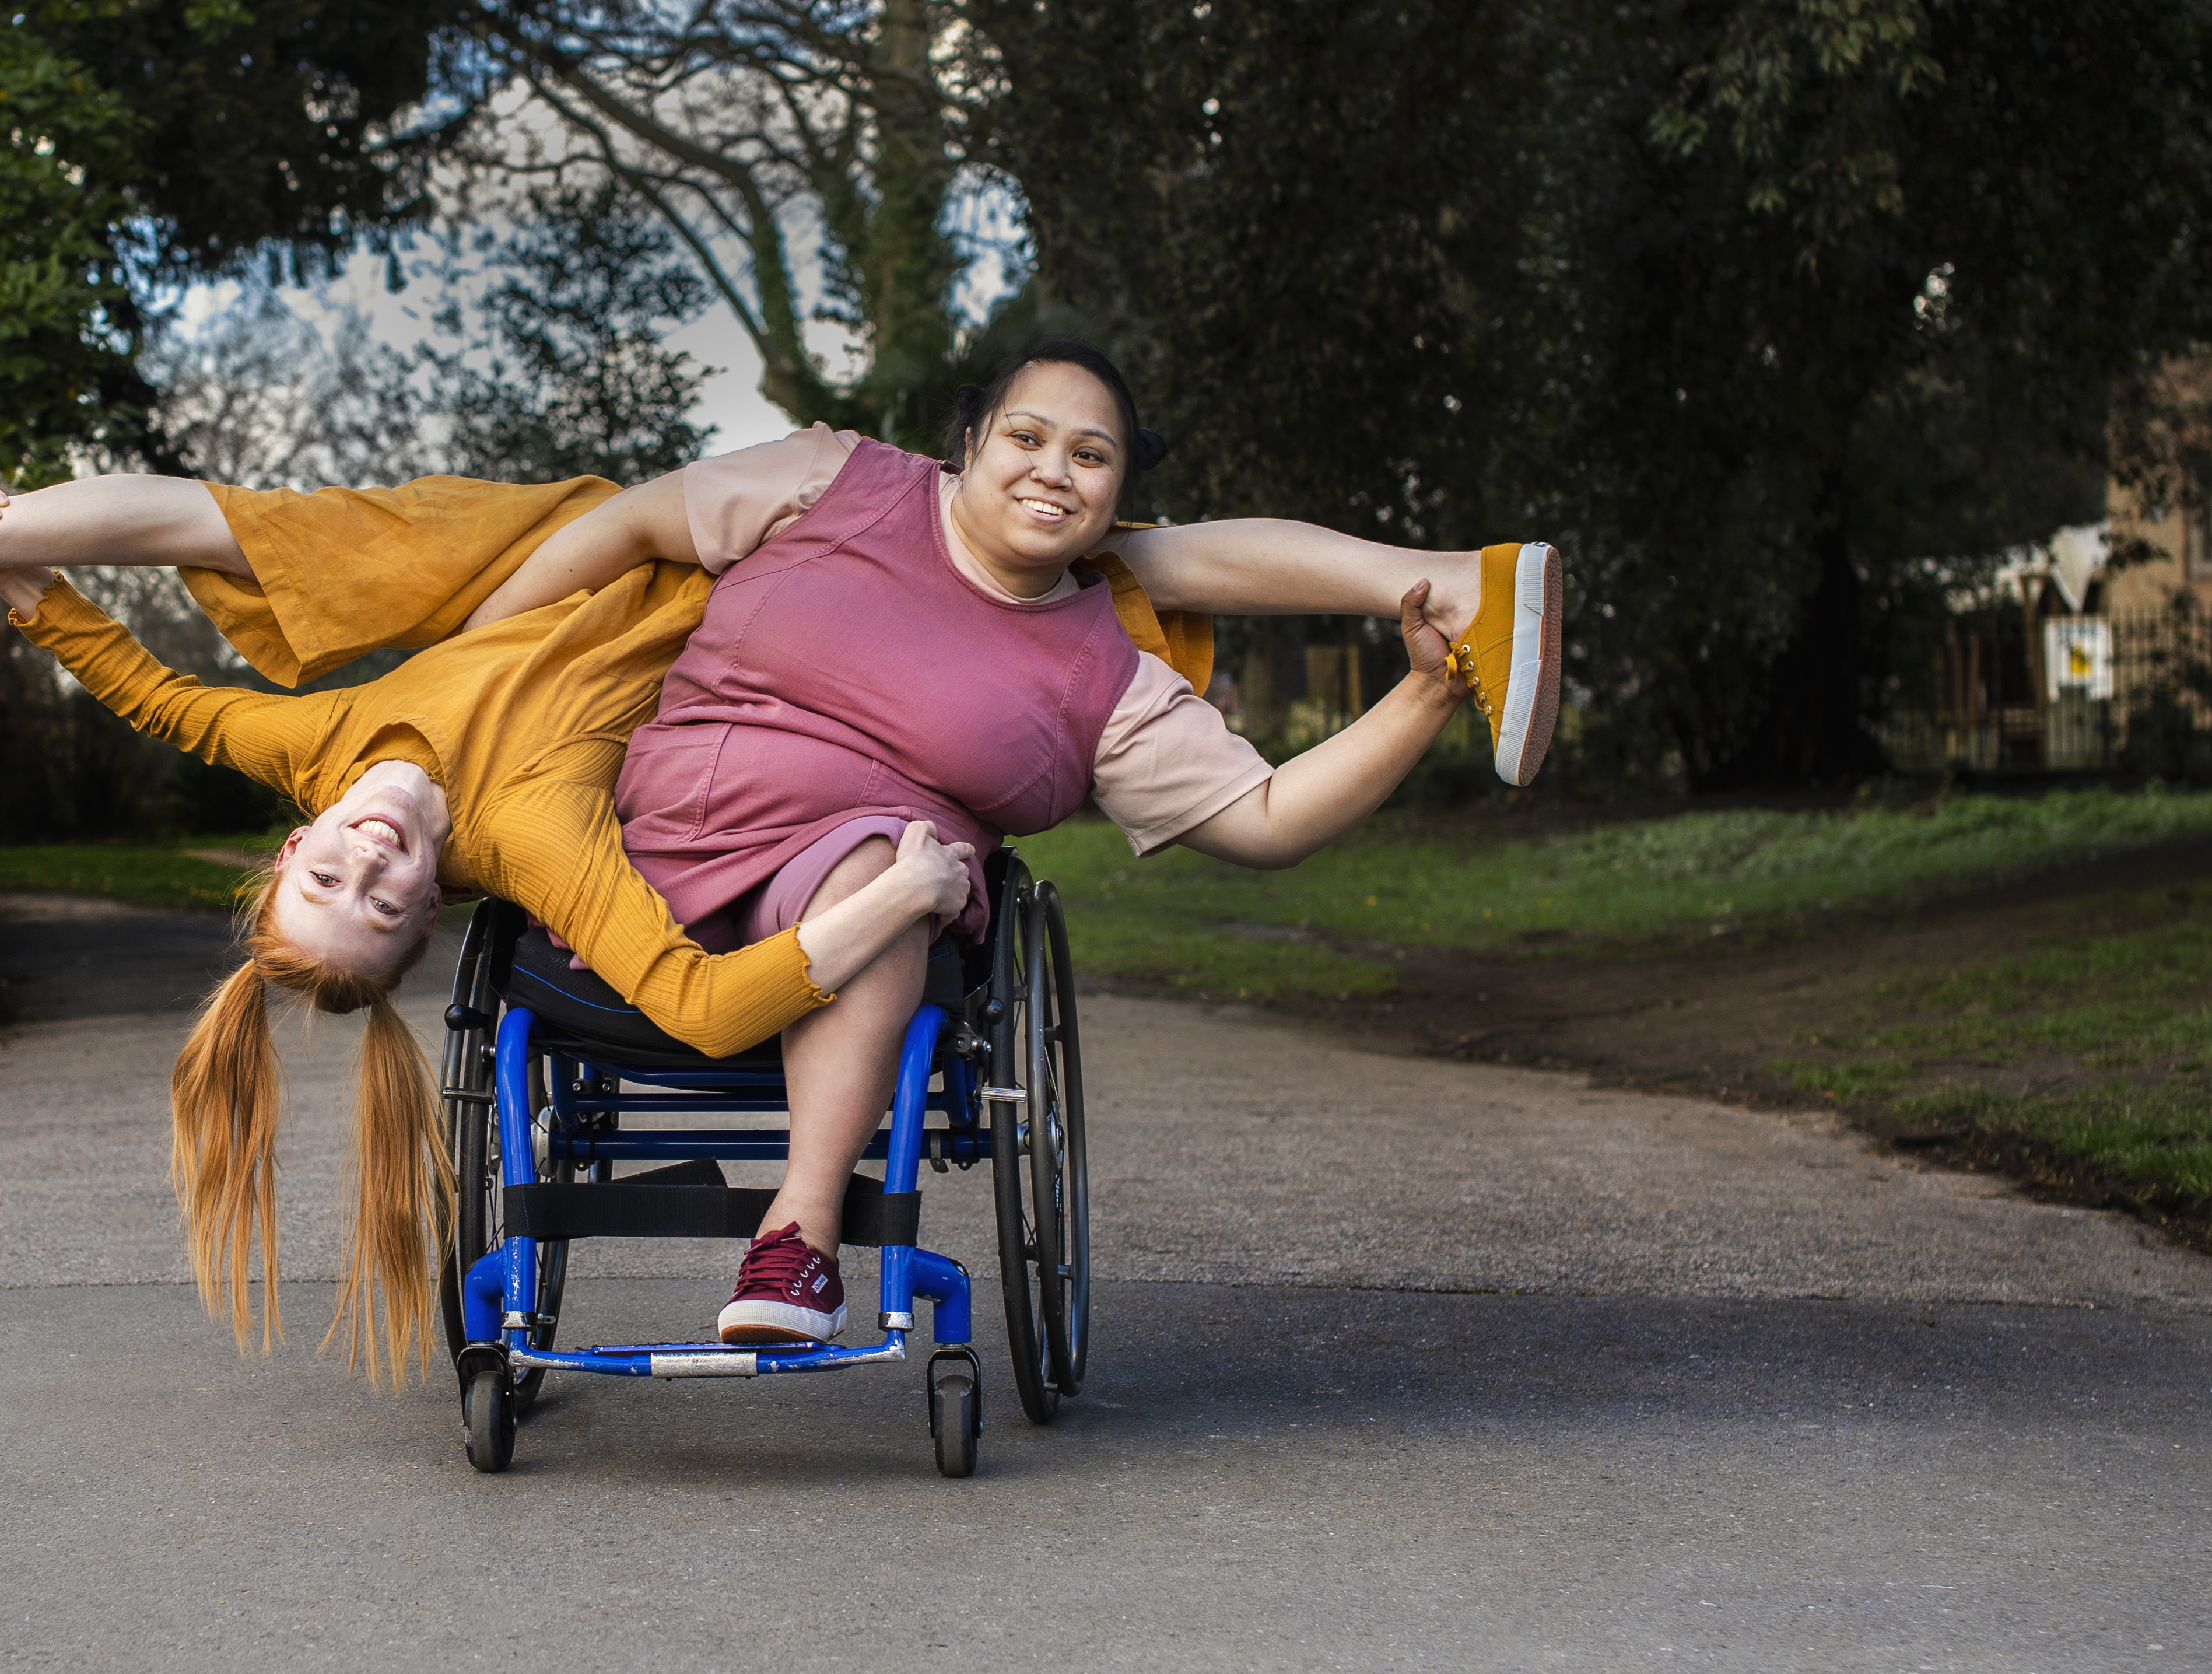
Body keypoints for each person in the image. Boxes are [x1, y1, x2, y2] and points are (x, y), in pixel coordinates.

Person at [0, 350, 1558, 1354]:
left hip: (568, 577)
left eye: (330, 878)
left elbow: (167, 701)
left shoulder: (319, 740)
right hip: (679, 638)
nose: (378, 871)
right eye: (387, 908)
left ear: (287, 856)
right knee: (282, 534)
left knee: (242, 533)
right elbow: (688, 984)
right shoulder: (539, 823)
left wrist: (17, 584)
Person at [433, 339, 1529, 1344]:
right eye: (1028, 437)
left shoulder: (1105, 675)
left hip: (861, 888)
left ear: (1116, 499)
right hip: (641, 857)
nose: (1056, 470)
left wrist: (1427, 695)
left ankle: (795, 1241)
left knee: (888, 872)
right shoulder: (837, 481)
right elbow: (628, 525)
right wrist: (465, 674)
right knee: (868, 873)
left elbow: (1270, 820)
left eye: (1092, 457)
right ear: (967, 448)